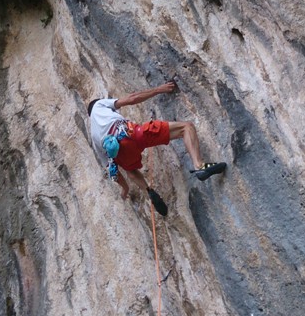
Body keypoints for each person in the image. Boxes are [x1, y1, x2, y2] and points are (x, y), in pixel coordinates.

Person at [88, 81, 226, 216]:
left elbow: (113, 170)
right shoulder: (99, 105)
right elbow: (132, 99)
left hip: (121, 154)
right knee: (186, 127)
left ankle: (148, 192)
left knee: (130, 170)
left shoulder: (94, 137)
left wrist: (125, 188)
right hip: (132, 135)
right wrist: (158, 89)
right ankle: (199, 165)